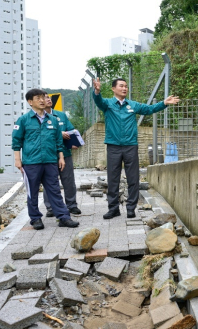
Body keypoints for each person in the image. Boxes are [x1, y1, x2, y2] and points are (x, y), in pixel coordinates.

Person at [93, 77, 180, 219]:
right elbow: (98, 101)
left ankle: (131, 208)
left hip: (130, 146)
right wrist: (96, 91)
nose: (124, 88)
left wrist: (164, 103)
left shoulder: (132, 105)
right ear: (113, 89)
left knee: (133, 178)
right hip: (113, 147)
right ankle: (113, 208)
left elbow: (148, 109)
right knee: (113, 178)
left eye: (126, 86)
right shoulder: (108, 104)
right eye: (121, 86)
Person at [12, 88, 79, 230]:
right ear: (30, 102)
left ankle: (63, 217)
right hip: (31, 162)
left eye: (43, 97)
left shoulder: (53, 120)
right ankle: (35, 218)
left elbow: (58, 142)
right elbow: (16, 141)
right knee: (32, 192)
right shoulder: (24, 120)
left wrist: (61, 157)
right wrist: (17, 160)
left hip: (50, 161)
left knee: (54, 190)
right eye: (38, 98)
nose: (42, 100)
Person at [42, 94, 81, 217]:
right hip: (49, 155)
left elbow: (71, 130)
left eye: (49, 97)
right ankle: (50, 208)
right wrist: (60, 133)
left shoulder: (61, 115)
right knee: (50, 182)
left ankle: (72, 205)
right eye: (45, 98)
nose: (48, 99)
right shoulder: (39, 118)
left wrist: (73, 142)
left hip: (65, 153)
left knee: (69, 181)